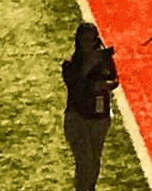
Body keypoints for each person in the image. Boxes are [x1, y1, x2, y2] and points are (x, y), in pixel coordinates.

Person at [61, 22, 120, 191]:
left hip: (100, 118)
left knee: (94, 162)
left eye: (90, 39)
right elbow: (75, 82)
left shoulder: (104, 59)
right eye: (84, 40)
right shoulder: (70, 64)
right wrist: (91, 65)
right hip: (78, 118)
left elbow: (115, 79)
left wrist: (105, 85)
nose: (87, 43)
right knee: (84, 161)